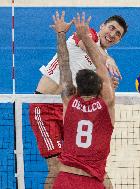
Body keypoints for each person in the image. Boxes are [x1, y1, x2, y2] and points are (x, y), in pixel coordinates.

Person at [29, 11, 127, 188]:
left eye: (118, 34)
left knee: (94, 169)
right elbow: (86, 43)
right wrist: (109, 59)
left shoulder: (100, 64)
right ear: (102, 26)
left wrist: (108, 87)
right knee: (56, 168)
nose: (112, 34)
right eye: (111, 28)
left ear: (119, 40)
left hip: (71, 111)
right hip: (45, 107)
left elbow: (92, 93)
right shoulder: (89, 34)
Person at [49, 11, 115, 189]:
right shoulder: (106, 104)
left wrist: (61, 33)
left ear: (77, 88)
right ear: (101, 88)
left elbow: (64, 65)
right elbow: (102, 67)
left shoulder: (69, 101)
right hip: (91, 182)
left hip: (65, 180)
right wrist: (87, 38)